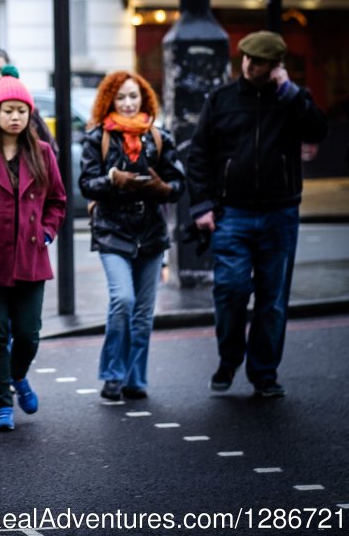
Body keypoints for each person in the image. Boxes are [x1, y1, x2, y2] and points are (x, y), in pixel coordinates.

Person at [187, 31, 328, 398]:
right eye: (246, 58)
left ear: (276, 65)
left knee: (273, 298)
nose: (249, 65)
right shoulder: (221, 100)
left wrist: (290, 94)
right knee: (231, 290)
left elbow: (317, 129)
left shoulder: (293, 100)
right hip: (231, 213)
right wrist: (202, 206)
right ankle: (229, 358)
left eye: (259, 61)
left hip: (280, 213)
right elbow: (199, 154)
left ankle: (264, 373)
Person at [79, 71, 185, 401]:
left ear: (144, 99)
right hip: (112, 231)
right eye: (121, 97)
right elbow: (85, 184)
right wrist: (113, 179)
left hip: (151, 233)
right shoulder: (98, 137)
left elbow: (178, 185)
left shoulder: (159, 137)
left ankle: (135, 378)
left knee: (142, 312)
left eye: (133, 97)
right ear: (110, 99)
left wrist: (163, 188)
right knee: (122, 299)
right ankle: (112, 373)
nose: (127, 103)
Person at [0, 72, 66, 432]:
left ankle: (18, 376)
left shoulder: (41, 152)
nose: (15, 117)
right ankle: (2, 405)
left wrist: (46, 232)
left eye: (21, 111)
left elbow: (57, 200)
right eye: (8, 110)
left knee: (28, 334)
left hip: (30, 257)